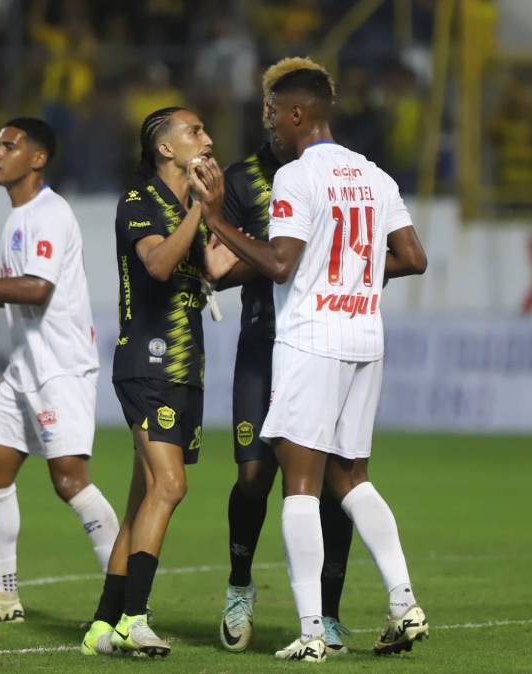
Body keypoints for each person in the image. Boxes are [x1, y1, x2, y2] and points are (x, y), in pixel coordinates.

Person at [190, 66, 430, 662]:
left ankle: (312, 632)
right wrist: (354, 273)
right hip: (364, 338)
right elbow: (413, 257)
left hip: (311, 340)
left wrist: (217, 217)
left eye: (273, 111)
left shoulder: (297, 177)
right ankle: (404, 603)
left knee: (299, 485)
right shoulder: (375, 175)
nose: (267, 120)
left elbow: (278, 264)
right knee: (350, 479)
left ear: (298, 113)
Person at [79, 107, 237, 658]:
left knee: (144, 497)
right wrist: (198, 211)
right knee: (171, 487)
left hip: (185, 365)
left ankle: (102, 625)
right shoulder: (140, 202)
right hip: (149, 361)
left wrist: (224, 221)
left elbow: (217, 269)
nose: (208, 139)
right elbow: (159, 265)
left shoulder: (186, 206)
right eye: (196, 131)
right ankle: (134, 619)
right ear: (165, 149)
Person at [217, 57, 355, 656]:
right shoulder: (243, 179)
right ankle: (240, 584)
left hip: (325, 343)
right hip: (264, 345)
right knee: (254, 476)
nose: (268, 120)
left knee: (333, 484)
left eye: (275, 110)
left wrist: (289, 258)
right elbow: (220, 267)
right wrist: (266, 256)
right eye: (264, 110)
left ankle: (327, 613)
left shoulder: (342, 173)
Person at [0, 118, 119, 623]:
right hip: (25, 364)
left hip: (60, 367)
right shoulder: (18, 217)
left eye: (9, 145)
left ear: (37, 159)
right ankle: (5, 593)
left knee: (70, 481)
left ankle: (127, 598)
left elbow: (36, 289)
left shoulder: (49, 214)